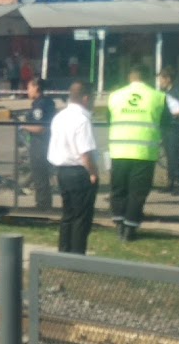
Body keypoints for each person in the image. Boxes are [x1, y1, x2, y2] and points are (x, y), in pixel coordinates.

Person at [106, 65, 170, 241]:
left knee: (118, 189)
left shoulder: (115, 96)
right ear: (148, 79)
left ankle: (119, 223)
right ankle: (130, 228)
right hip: (144, 152)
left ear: (129, 78)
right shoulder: (157, 97)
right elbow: (166, 122)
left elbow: (108, 119)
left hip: (119, 150)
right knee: (137, 192)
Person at [48, 81, 99, 254]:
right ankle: (77, 255)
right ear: (86, 98)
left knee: (68, 215)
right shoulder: (82, 120)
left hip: (62, 170)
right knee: (81, 217)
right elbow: (85, 152)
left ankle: (64, 251)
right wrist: (93, 173)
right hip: (79, 171)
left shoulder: (60, 116)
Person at [23, 76, 56, 209]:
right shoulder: (48, 102)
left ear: (36, 87)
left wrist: (23, 126)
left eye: (29, 87)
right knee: (42, 176)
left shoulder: (40, 105)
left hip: (40, 144)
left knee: (40, 175)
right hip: (46, 143)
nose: (27, 91)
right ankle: (44, 203)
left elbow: (40, 128)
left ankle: (43, 206)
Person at [157, 67, 179, 196]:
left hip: (173, 127)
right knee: (168, 155)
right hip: (165, 127)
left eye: (161, 78)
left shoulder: (176, 91)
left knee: (174, 156)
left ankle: (178, 184)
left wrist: (172, 114)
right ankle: (170, 182)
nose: (160, 82)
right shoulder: (163, 92)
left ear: (168, 79)